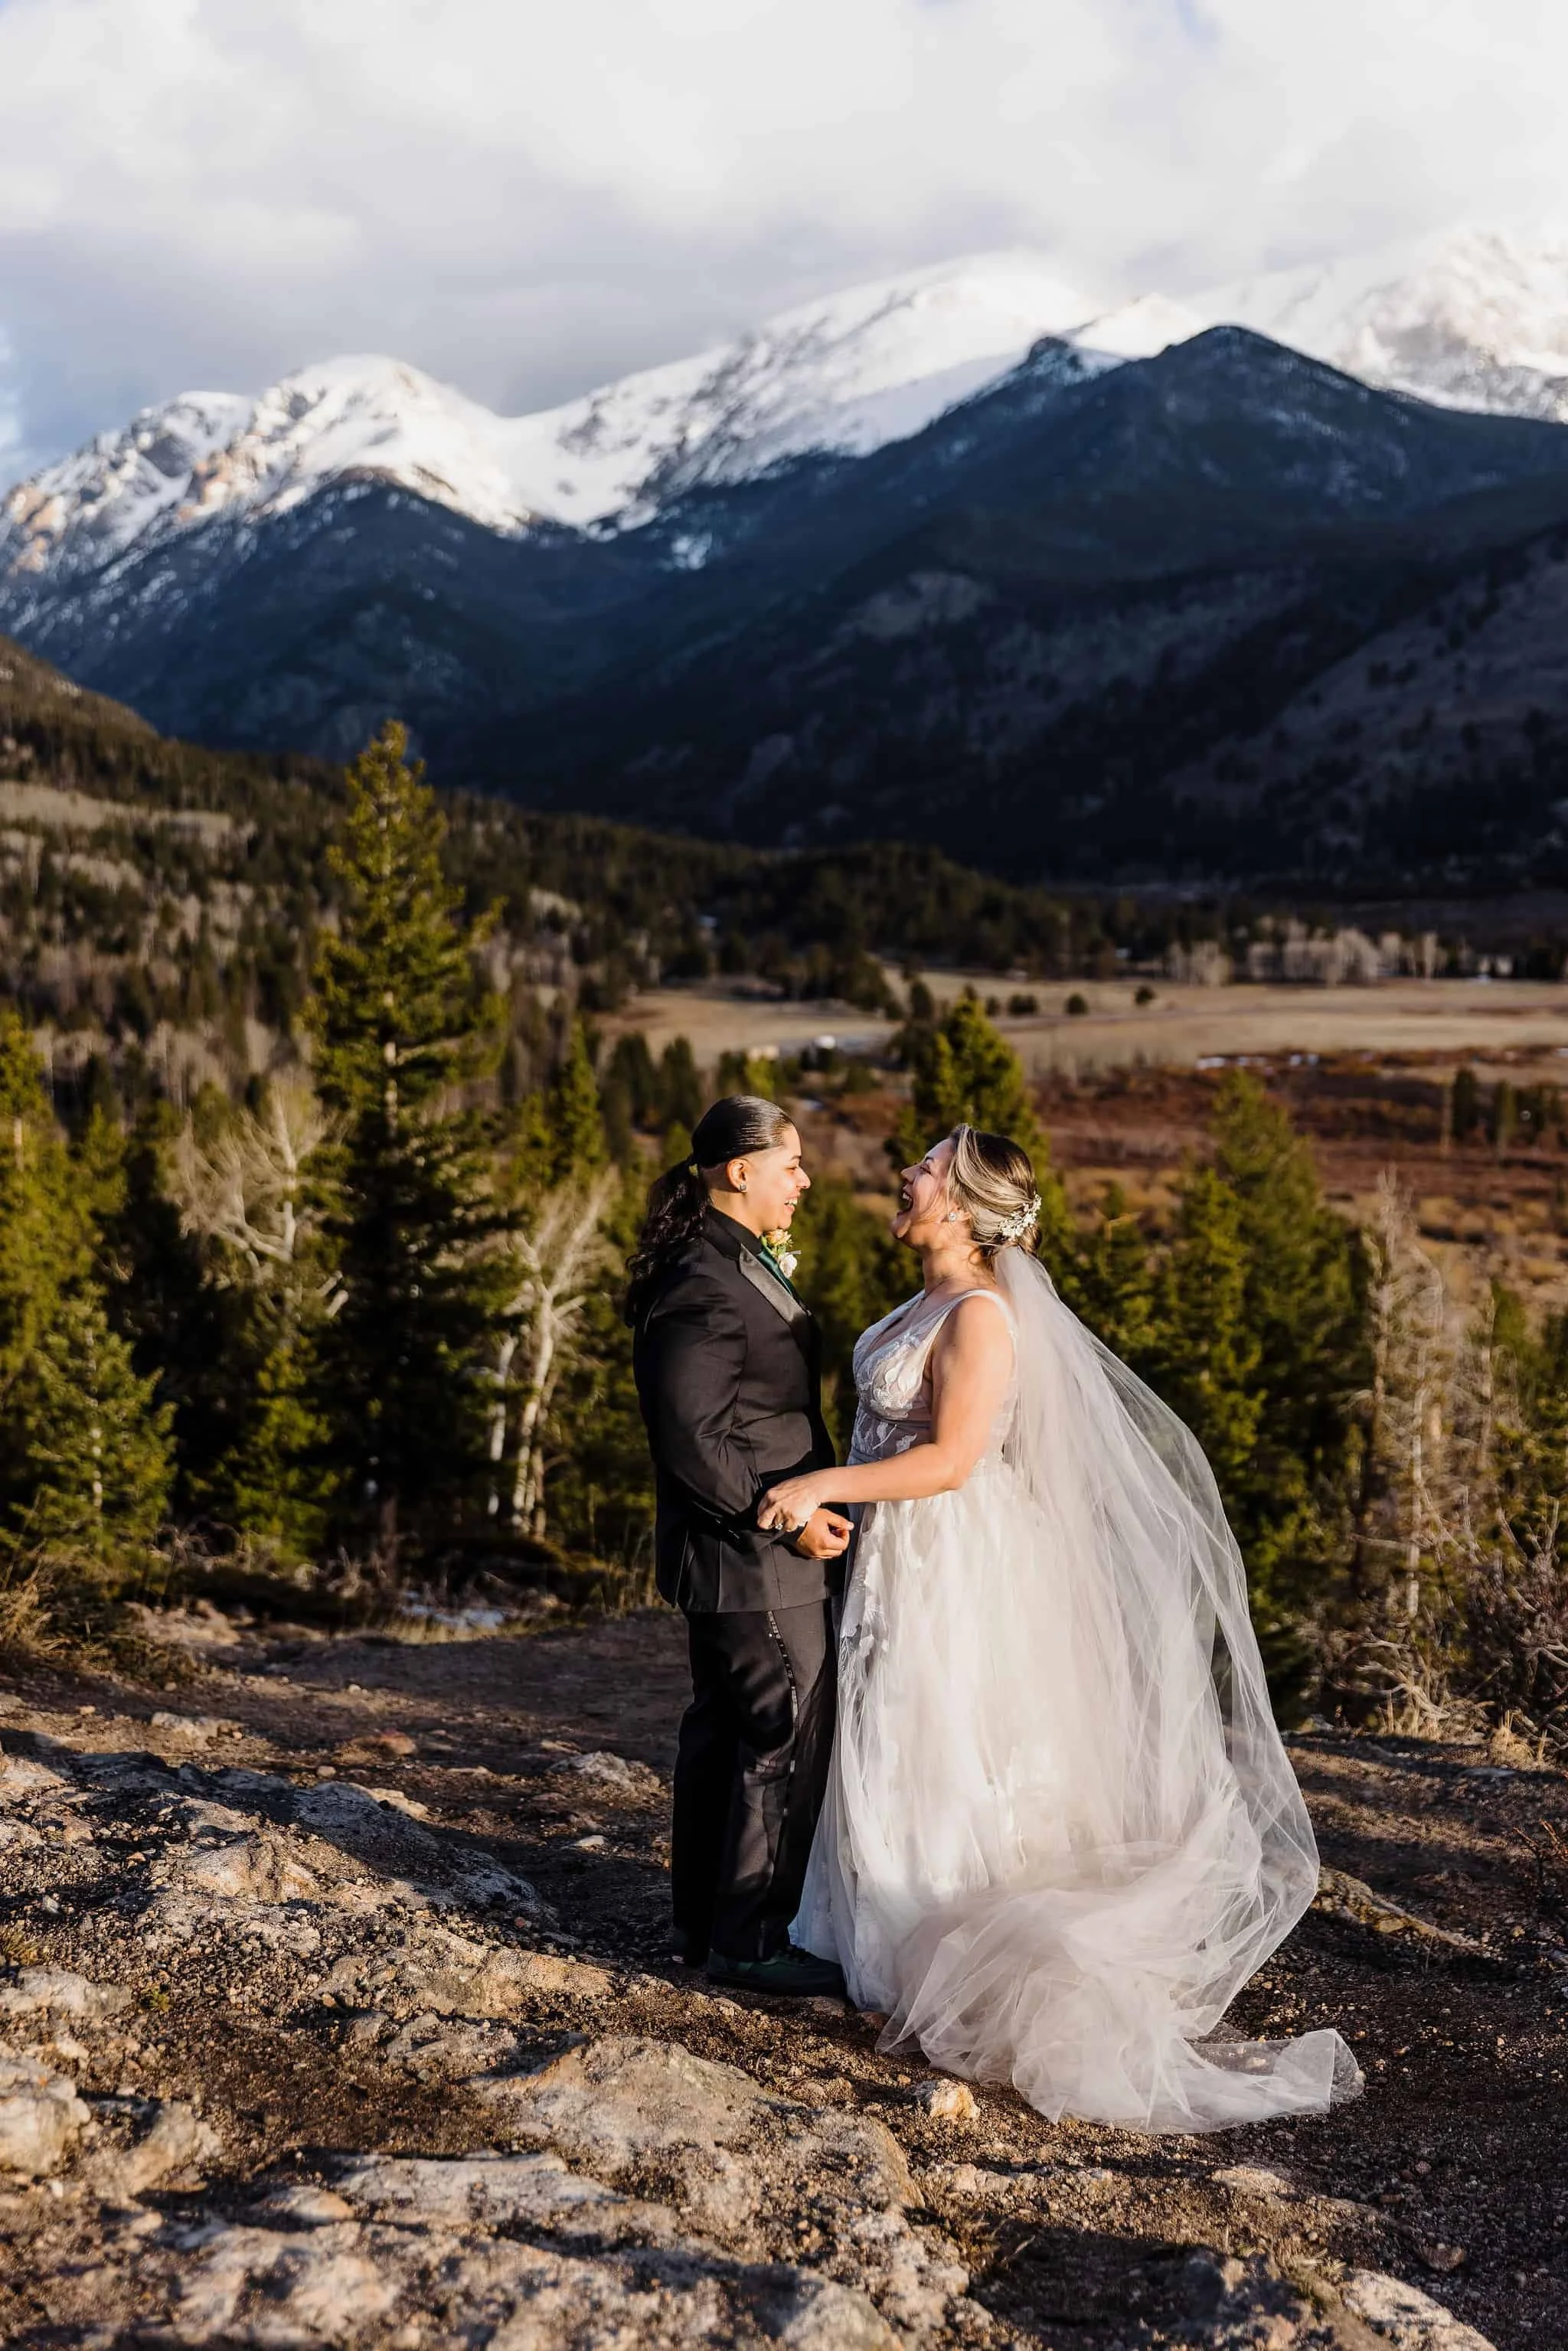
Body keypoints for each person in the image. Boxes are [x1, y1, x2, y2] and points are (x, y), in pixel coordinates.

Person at [760, 1124, 1364, 2132]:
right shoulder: (924, 1301)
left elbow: (953, 1458)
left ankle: (945, 1942)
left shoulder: (985, 1316)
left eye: (924, 1168)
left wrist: (824, 1482)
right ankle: (877, 1932)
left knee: (938, 1725)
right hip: (898, 1554)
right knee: (889, 1725)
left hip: (953, 1554)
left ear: (957, 1202)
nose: (902, 1176)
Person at [628, 1096, 852, 1995]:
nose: (803, 1179)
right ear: (738, 1169)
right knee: (779, 1731)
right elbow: (689, 1435)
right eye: (789, 1164)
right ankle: (751, 1937)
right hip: (749, 1553)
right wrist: (788, 1514)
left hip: (749, 1551)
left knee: (727, 1731)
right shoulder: (700, 1278)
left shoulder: (733, 1258)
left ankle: (700, 1922)